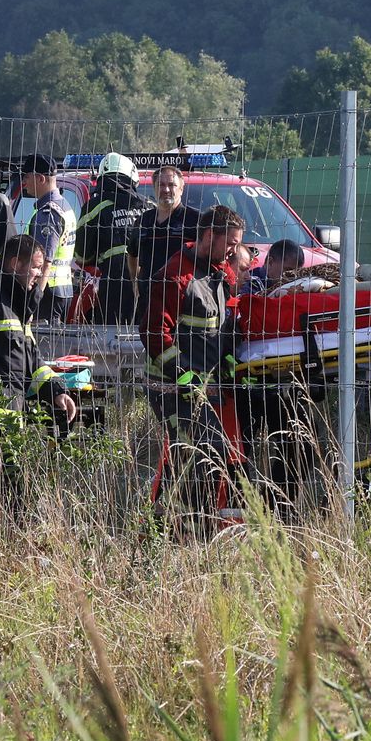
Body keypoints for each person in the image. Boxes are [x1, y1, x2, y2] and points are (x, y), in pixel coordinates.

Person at [143, 204, 252, 533]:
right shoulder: (176, 275)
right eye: (230, 242)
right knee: (194, 449)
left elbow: (223, 327)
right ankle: (165, 526)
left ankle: (182, 526)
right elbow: (153, 332)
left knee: (200, 453)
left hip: (202, 385)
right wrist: (183, 374)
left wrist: (229, 359)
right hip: (171, 386)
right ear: (209, 235)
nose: (234, 250)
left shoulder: (221, 274)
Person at [0, 235, 80, 513]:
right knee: (12, 498)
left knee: (10, 498)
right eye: (36, 267)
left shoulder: (15, 301)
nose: (41, 275)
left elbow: (31, 357)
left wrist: (56, 391)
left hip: (7, 418)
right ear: (15, 263)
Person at [75, 153, 151, 323]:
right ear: (132, 177)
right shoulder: (149, 206)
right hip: (149, 282)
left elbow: (82, 256)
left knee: (113, 335)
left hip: (114, 283)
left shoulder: (94, 207)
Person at [132, 164, 199, 318]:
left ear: (181, 188)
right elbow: (132, 254)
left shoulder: (196, 221)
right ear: (154, 188)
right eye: (161, 185)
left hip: (183, 304)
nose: (166, 189)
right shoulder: (143, 221)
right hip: (148, 303)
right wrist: (136, 282)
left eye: (171, 185)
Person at [18, 153, 77, 322]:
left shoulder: (48, 213)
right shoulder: (64, 206)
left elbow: (45, 261)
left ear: (40, 179)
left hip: (47, 292)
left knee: (44, 345)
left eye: (27, 177)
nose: (24, 182)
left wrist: (33, 301)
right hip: (62, 288)